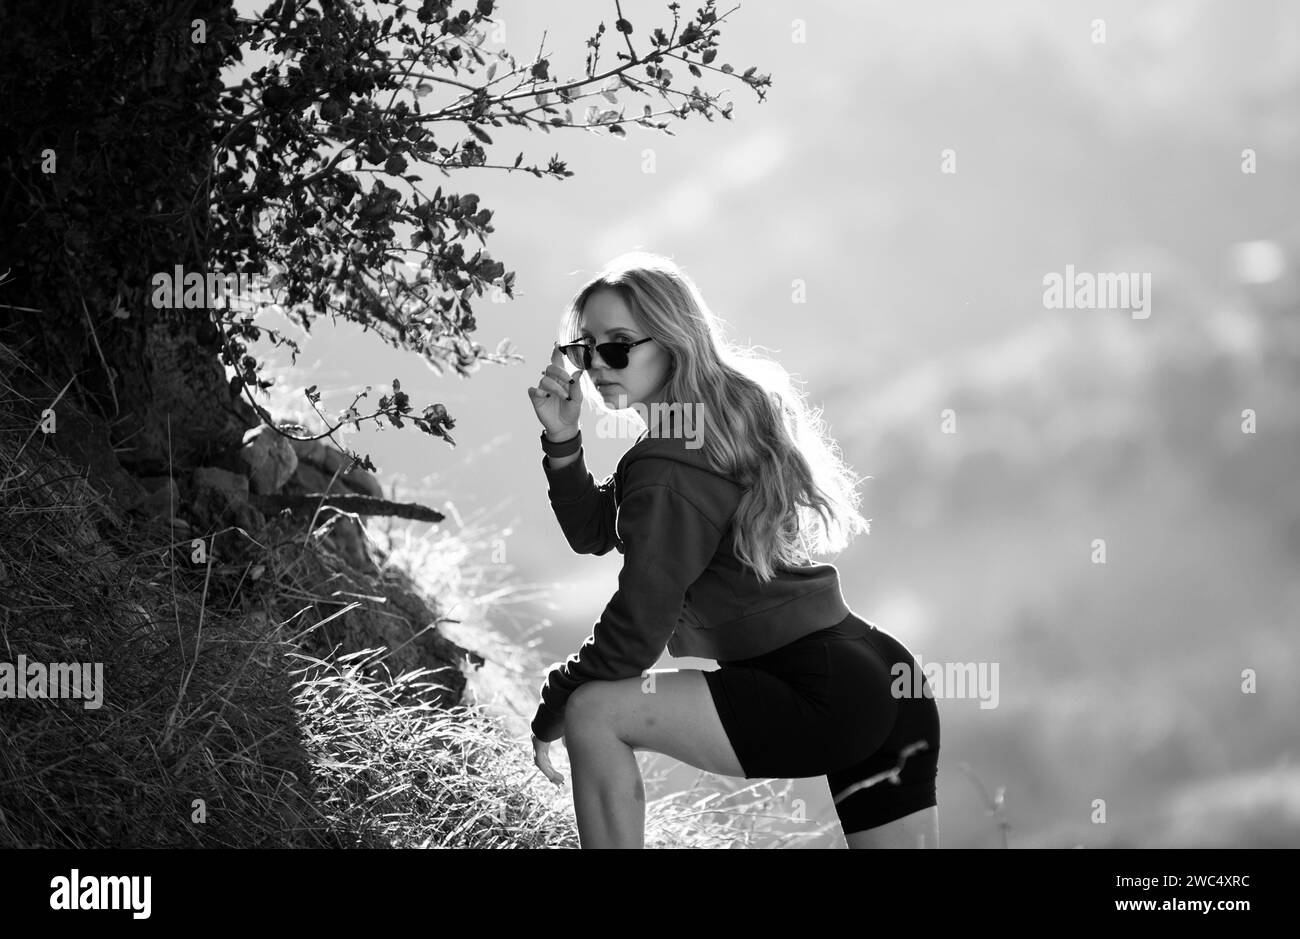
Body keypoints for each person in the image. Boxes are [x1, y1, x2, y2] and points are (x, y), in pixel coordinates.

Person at [524, 252, 940, 849]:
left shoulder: (667, 462)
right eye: (583, 350)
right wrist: (563, 442)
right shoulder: (713, 423)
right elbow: (600, 531)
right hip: (885, 674)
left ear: (672, 341)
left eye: (618, 345)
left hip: (813, 690)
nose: (595, 366)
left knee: (594, 713)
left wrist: (558, 699)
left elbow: (641, 624)